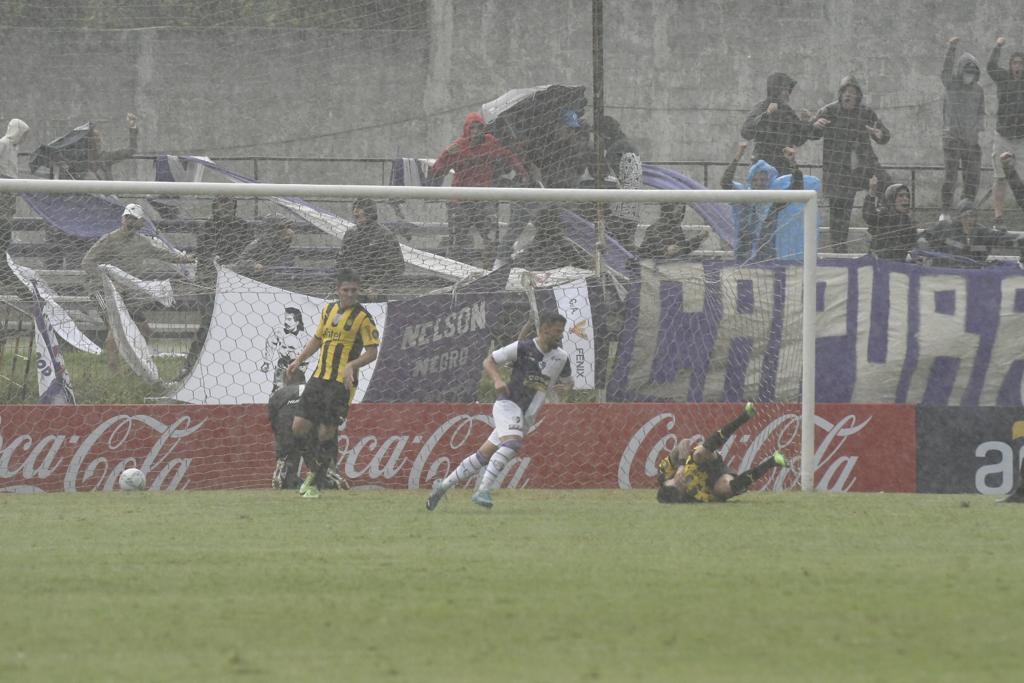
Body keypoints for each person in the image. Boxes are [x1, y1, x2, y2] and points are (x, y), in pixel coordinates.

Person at [426, 311, 572, 511]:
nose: (560, 335)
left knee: (482, 456)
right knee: (512, 444)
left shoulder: (561, 357)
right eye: (557, 331)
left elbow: (567, 381)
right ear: (544, 329)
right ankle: (483, 490)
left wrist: (566, 388)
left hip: (527, 416)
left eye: (562, 331)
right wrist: (497, 379)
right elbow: (489, 361)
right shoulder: (523, 347)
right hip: (508, 404)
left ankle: (442, 487)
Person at [285, 268, 380, 499]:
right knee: (298, 426)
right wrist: (299, 359)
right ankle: (318, 471)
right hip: (319, 377)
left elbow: (372, 352)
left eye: (354, 291)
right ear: (338, 290)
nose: (349, 294)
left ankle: (315, 484)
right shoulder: (328, 310)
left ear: (359, 291)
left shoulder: (364, 318)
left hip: (341, 384)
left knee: (327, 431)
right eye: (345, 290)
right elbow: (318, 339)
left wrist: (351, 365)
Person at [81, 203, 195, 367]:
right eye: (127, 217)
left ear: (140, 223)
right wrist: (106, 281)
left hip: (126, 293)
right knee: (116, 329)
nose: (129, 221)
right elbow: (87, 262)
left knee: (144, 330)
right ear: (122, 219)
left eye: (134, 219)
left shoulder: (142, 243)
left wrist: (186, 259)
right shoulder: (109, 239)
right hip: (103, 291)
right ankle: (114, 373)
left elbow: (163, 254)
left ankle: (135, 366)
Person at [429, 112, 528, 266]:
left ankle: (489, 272)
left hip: (483, 200)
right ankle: (457, 273)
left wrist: (522, 173)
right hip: (460, 201)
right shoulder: (458, 147)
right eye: (472, 127)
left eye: (479, 127)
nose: (476, 131)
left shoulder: (490, 143)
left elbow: (509, 156)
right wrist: (446, 155)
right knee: (458, 242)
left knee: (491, 239)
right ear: (466, 129)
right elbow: (436, 171)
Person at [810, 76, 890, 253]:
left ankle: (887, 235)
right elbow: (810, 133)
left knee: (888, 186)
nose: (849, 96)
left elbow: (885, 135)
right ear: (840, 94)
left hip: (864, 166)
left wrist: (879, 134)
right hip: (839, 171)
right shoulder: (829, 111)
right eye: (846, 93)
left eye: (853, 93)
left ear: (858, 96)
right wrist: (815, 125)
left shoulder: (865, 113)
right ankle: (839, 250)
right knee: (840, 212)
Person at [655, 402, 788, 504]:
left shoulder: (665, 471)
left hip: (707, 461)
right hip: (715, 479)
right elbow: (718, 497)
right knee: (726, 488)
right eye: (681, 487)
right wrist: (730, 490)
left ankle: (746, 415)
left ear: (667, 481)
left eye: (676, 481)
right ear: (681, 494)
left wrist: (681, 466)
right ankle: (773, 461)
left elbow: (684, 443)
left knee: (699, 453)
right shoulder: (695, 497)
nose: (681, 481)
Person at [268, 379, 350, 491]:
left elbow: (274, 421)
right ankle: (327, 474)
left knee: (289, 449)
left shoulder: (284, 391)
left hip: (282, 402)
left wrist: (281, 448)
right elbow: (328, 434)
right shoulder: (335, 397)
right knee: (320, 445)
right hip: (306, 406)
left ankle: (284, 467)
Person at [939, 37, 985, 216]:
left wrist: (979, 127)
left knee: (972, 178)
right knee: (950, 177)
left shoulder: (978, 89)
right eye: (967, 70)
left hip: (971, 141)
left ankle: (967, 210)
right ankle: (945, 211)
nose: (970, 75)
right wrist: (951, 48)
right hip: (952, 138)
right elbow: (945, 70)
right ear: (961, 70)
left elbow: (981, 110)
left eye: (973, 72)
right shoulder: (952, 84)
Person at [740, 72, 814, 175]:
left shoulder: (788, 111)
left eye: (789, 90)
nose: (788, 93)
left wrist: (805, 123)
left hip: (784, 167)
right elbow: (746, 132)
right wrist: (766, 115)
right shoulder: (762, 107)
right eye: (785, 89)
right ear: (776, 90)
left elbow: (798, 140)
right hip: (763, 170)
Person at [918, 197, 1022, 268]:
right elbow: (922, 238)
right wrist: (924, 254)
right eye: (966, 216)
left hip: (973, 276)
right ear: (959, 217)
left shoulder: (982, 232)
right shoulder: (945, 227)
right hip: (945, 274)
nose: (969, 219)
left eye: (972, 215)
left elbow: (1001, 237)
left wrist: (1019, 239)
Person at [988, 37, 1024, 225]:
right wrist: (997, 46)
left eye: (1020, 63)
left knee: (1021, 178)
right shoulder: (1003, 78)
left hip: (1021, 138)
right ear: (1010, 65)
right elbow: (990, 67)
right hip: (1003, 135)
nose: (1017, 66)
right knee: (1000, 176)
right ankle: (998, 216)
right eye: (1015, 63)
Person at [336, 198, 405, 289]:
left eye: (361, 216)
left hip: (375, 293)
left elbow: (398, 266)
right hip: (352, 290)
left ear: (370, 214)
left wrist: (379, 286)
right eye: (356, 217)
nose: (358, 220)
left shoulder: (384, 235)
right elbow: (341, 261)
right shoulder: (350, 234)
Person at [597, 114, 643, 247]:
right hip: (633, 206)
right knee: (627, 243)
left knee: (617, 245)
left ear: (605, 135)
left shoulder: (615, 149)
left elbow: (609, 178)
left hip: (621, 207)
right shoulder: (627, 144)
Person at [63, 113, 139, 180]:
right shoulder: (78, 163)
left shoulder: (105, 157)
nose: (99, 141)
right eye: (96, 138)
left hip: (107, 195)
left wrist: (132, 128)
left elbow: (131, 150)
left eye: (99, 138)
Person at [0, 118, 29, 291]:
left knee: (7, 220)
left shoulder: (14, 148)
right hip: (4, 188)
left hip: (9, 190)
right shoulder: (3, 143)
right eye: (23, 134)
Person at [862, 175, 917, 261]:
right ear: (891, 198)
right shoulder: (884, 214)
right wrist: (872, 191)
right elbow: (868, 216)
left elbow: (913, 244)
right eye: (901, 196)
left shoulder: (908, 221)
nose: (905, 199)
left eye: (907, 196)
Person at [636, 203, 707, 259]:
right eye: (677, 205)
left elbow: (683, 249)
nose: (680, 209)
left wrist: (699, 238)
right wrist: (666, 250)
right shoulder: (655, 229)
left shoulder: (676, 228)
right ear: (668, 209)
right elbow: (646, 252)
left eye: (682, 207)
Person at [262, 307, 308, 392]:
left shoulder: (303, 336)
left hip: (297, 367)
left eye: (289, 319)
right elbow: (270, 343)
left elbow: (310, 353)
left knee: (298, 391)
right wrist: (267, 362)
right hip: (282, 365)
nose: (286, 322)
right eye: (285, 319)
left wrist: (298, 359)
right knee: (278, 389)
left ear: (297, 322)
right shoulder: (279, 331)